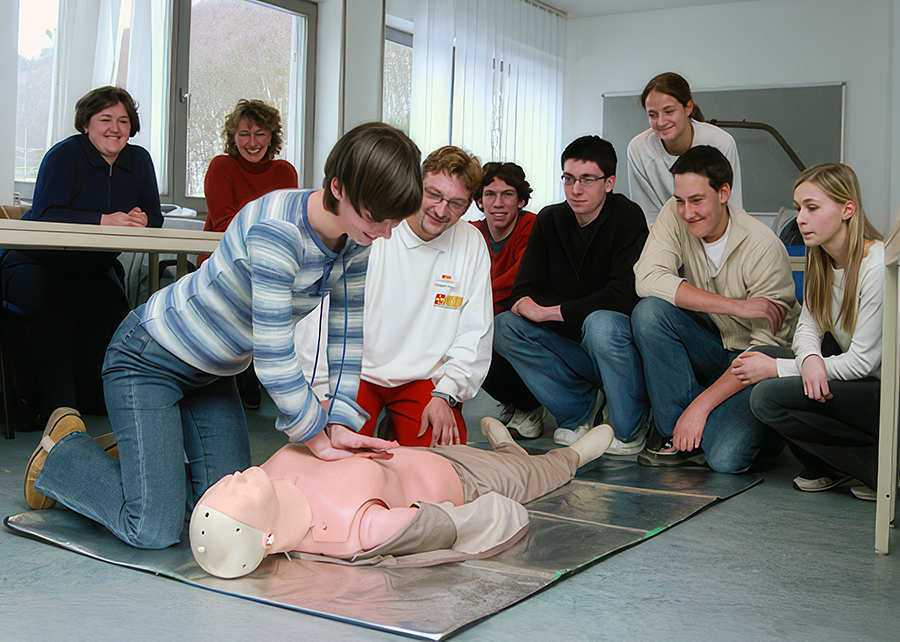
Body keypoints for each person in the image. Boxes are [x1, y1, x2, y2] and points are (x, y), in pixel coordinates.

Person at [24, 122, 424, 550]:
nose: (384, 232)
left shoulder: (357, 239)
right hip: (148, 359)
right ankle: (63, 453)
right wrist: (315, 434)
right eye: (376, 218)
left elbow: (347, 335)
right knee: (153, 529)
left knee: (219, 513)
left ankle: (141, 460)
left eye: (393, 221)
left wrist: (341, 420)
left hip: (212, 374)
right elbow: (273, 355)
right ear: (339, 187)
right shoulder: (278, 231)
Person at [189, 417, 615, 578]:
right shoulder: (352, 531)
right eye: (230, 499)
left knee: (502, 457)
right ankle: (573, 454)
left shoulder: (267, 474)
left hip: (418, 452)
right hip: (467, 480)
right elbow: (458, 524)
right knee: (533, 474)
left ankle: (506, 447)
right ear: (264, 540)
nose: (229, 480)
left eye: (215, 492)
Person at [0, 86, 163, 428]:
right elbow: (45, 214)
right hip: (35, 260)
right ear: (86, 124)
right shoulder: (64, 156)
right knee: (51, 302)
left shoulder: (140, 160)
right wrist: (104, 220)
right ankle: (58, 411)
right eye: (105, 119)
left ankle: (96, 401)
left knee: (115, 312)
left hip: (91, 266)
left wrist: (144, 220)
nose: (115, 128)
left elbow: (155, 216)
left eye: (123, 120)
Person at [632, 145, 798, 472]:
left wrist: (700, 406)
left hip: (758, 362)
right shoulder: (674, 213)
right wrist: (737, 307)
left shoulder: (763, 246)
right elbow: (647, 280)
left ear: (724, 193)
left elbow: (765, 351)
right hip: (714, 343)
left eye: (697, 201)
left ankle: (763, 426)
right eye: (680, 200)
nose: (687, 212)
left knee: (725, 458)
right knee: (650, 313)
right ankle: (678, 432)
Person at [493, 136, 651, 453]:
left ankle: (629, 428)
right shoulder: (551, 219)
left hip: (614, 345)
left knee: (601, 323)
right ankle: (577, 411)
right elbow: (523, 289)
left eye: (587, 180)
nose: (575, 190)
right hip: (568, 347)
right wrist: (525, 305)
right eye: (569, 179)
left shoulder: (627, 216)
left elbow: (622, 295)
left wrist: (552, 311)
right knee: (503, 326)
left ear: (609, 183)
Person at [737, 164, 883, 498]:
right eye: (799, 207)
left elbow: (865, 364)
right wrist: (810, 360)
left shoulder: (876, 266)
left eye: (812, 208)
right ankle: (833, 466)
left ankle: (880, 470)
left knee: (768, 393)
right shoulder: (821, 259)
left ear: (848, 209)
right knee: (764, 356)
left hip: (885, 394)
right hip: (856, 385)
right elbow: (806, 328)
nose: (800, 218)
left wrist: (781, 368)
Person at [357, 146, 493, 447]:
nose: (441, 211)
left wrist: (448, 393)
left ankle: (398, 431)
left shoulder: (470, 243)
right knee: (336, 458)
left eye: (456, 203)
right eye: (433, 195)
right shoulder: (375, 228)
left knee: (442, 465)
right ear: (416, 185)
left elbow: (475, 332)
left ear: (470, 204)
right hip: (357, 372)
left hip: (425, 381)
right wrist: (322, 388)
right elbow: (324, 314)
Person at [202, 99, 300, 408]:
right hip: (223, 260)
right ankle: (232, 376)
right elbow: (222, 224)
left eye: (260, 133)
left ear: (272, 136)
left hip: (268, 262)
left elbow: (286, 222)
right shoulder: (222, 166)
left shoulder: (285, 171)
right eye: (244, 134)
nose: (252, 142)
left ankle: (254, 373)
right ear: (232, 137)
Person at [472, 162, 543, 438]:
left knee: (497, 327)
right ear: (479, 200)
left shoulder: (533, 225)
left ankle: (530, 404)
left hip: (522, 321)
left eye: (507, 194)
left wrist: (474, 302)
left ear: (521, 200)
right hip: (487, 314)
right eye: (490, 194)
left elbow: (519, 279)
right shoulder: (473, 232)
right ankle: (515, 402)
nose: (498, 203)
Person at [627, 72, 743, 221]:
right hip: (665, 236)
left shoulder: (720, 143)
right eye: (652, 114)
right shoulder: (639, 149)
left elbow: (732, 209)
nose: (661, 122)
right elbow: (647, 215)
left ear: (688, 108)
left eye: (669, 111)